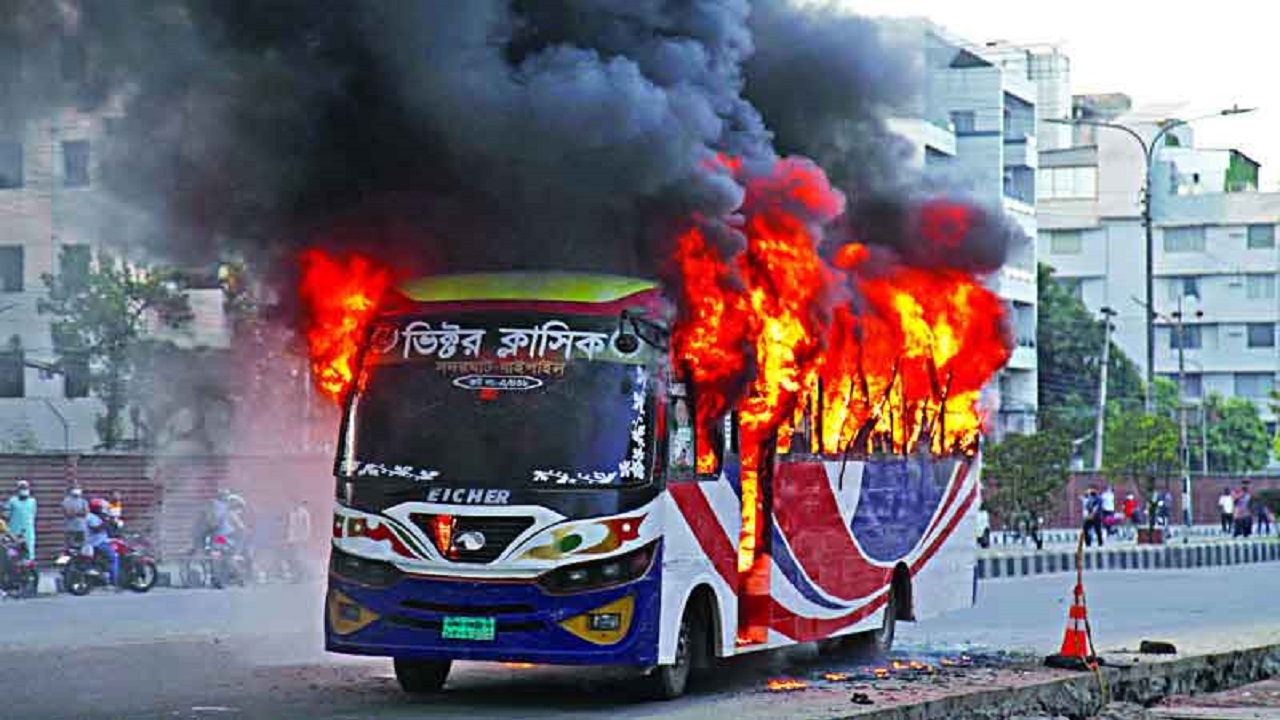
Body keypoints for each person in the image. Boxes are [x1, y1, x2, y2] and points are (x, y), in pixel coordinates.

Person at [86, 498, 118, 587]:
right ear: (96, 508)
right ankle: (114, 581)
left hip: (95, 542)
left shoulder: (94, 516)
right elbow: (96, 529)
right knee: (114, 558)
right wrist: (106, 523)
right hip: (98, 543)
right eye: (100, 508)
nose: (102, 509)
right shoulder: (92, 517)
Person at [5, 480, 36, 560]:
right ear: (18, 489)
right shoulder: (12, 501)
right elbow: (6, 515)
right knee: (12, 550)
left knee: (29, 549)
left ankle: (29, 568)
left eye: (25, 487)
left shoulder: (32, 501)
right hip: (14, 531)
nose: (24, 489)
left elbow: (33, 514)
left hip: (28, 531)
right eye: (22, 487)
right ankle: (12, 567)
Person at [285, 500, 313, 580]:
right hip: (292, 539)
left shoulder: (304, 513)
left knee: (299, 557)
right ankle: (297, 574)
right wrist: (289, 539)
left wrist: (305, 538)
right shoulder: (292, 513)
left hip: (300, 539)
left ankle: (301, 575)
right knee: (293, 557)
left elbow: (307, 527)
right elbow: (290, 527)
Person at [62, 483, 88, 550]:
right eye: (76, 488)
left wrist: (75, 513)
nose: (78, 490)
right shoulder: (66, 501)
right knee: (69, 549)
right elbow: (68, 514)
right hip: (70, 529)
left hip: (81, 529)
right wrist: (79, 513)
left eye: (79, 488)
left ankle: (80, 560)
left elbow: (85, 513)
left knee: (82, 548)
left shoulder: (83, 501)